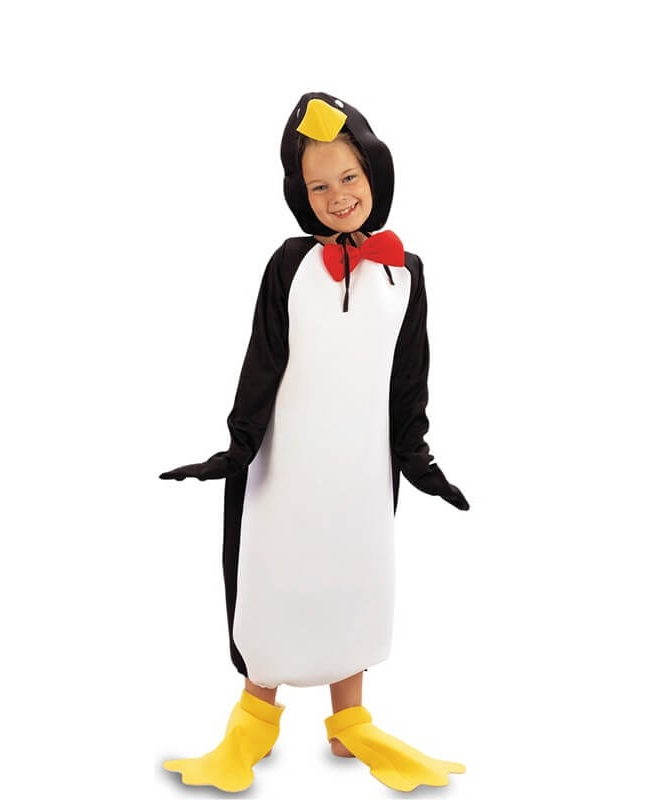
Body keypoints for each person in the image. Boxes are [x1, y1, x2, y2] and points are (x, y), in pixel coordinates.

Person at [159, 91, 469, 792]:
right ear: (299, 194)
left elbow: (409, 379)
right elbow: (261, 364)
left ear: (376, 174)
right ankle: (253, 719)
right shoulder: (290, 265)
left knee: (355, 578)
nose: (337, 196)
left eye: (349, 177)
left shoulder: (406, 273)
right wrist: (235, 449)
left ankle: (350, 720)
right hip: (286, 468)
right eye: (318, 186)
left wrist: (419, 462)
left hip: (362, 471)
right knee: (276, 577)